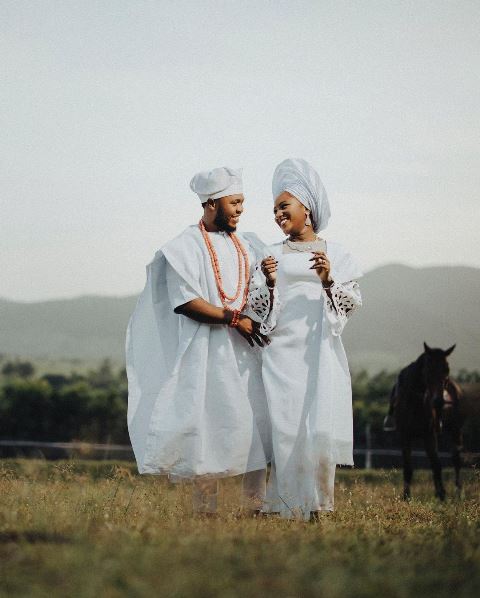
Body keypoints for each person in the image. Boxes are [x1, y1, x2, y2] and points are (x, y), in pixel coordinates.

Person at [126, 167, 271, 516]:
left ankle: (257, 509)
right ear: (210, 204)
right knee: (208, 428)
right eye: (233, 202)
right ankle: (205, 514)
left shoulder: (249, 245)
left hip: (247, 354)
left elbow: (260, 295)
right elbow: (186, 302)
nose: (240, 209)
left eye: (242, 202)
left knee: (258, 426)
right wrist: (234, 319)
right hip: (206, 354)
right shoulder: (184, 247)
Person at [247, 158, 363, 521]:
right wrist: (266, 282)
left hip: (319, 351)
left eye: (284, 206)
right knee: (286, 428)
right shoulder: (269, 254)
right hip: (281, 354)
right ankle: (282, 506)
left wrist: (328, 279)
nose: (277, 214)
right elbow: (257, 308)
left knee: (318, 426)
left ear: (306, 209)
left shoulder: (337, 253)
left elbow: (349, 304)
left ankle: (318, 505)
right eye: (275, 209)